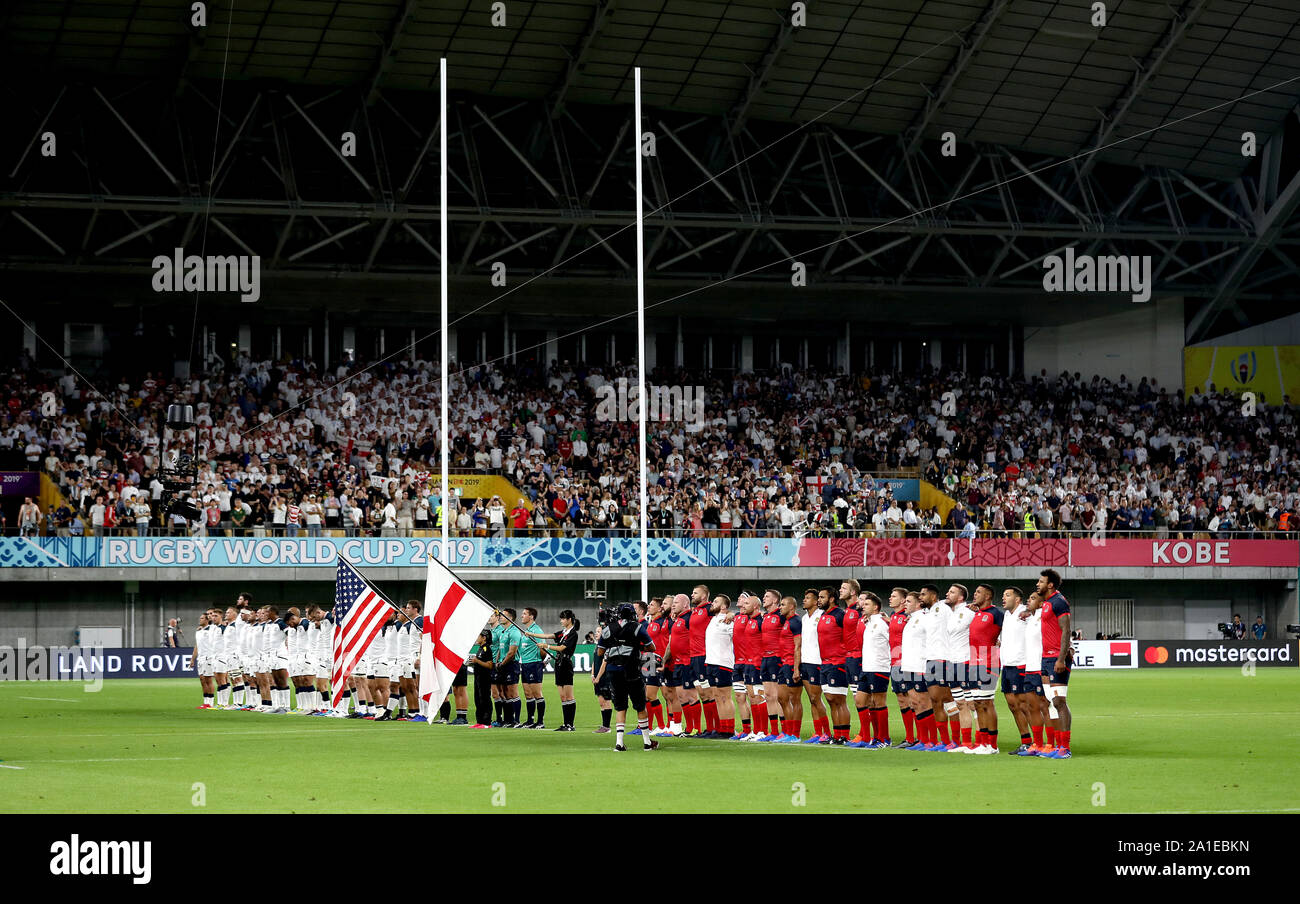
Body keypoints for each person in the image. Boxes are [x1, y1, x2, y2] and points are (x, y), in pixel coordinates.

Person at [592, 603, 659, 752]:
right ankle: (647, 742)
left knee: (620, 707)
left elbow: (600, 653)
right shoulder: (637, 627)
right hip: (632, 670)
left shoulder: (608, 629)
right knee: (640, 706)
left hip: (613, 671)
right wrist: (637, 647)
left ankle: (619, 743)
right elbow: (651, 647)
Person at [1036, 568, 1073, 758]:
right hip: (1045, 659)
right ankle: (1057, 745)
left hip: (1057, 659)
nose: (1037, 584)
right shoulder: (1047, 603)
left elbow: (1066, 630)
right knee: (1050, 701)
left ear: (1050, 584)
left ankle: (1065, 748)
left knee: (1059, 701)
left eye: (1041, 581)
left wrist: (1061, 657)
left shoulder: (1059, 602)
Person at [850, 591, 891, 748]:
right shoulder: (868, 622)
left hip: (879, 667)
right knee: (861, 700)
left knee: (878, 702)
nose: (863, 606)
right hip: (866, 667)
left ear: (876, 607)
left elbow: (894, 642)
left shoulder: (882, 623)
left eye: (867, 604)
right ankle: (869, 738)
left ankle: (884, 739)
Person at [900, 591, 940, 750]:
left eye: (908, 601)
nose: (905, 604)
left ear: (918, 603)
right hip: (908, 666)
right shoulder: (910, 620)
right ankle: (923, 740)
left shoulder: (925, 618)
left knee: (925, 703)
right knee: (915, 703)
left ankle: (933, 740)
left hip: (920, 666)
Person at [966, 583, 1003, 754]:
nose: (975, 594)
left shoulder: (996, 613)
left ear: (988, 596)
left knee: (987, 702)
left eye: (978, 592)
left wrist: (1001, 641)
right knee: (978, 703)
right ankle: (983, 743)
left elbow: (1010, 629)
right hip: (974, 662)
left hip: (989, 662)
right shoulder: (976, 613)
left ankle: (993, 745)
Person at [530, 609, 580, 731]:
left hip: (566, 664)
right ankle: (565, 723)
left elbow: (562, 647)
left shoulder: (573, 633)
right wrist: (530, 634)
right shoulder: (563, 632)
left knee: (569, 696)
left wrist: (546, 646)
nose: (561, 621)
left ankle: (570, 724)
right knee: (562, 696)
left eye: (563, 619)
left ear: (569, 620)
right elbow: (548, 635)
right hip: (559, 663)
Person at [999, 586, 1034, 754]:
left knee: (1024, 704)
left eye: (1007, 595)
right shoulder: (1007, 615)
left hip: (1021, 664)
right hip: (1006, 665)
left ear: (1018, 599)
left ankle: (1038, 742)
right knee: (1013, 705)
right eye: (1003, 595)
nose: (1003, 598)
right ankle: (1026, 741)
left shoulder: (1025, 613)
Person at [815, 585, 851, 745]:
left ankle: (845, 735)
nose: (819, 600)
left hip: (838, 662)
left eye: (822, 597)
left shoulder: (839, 615)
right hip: (825, 663)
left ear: (831, 599)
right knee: (829, 699)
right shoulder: (823, 615)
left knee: (839, 700)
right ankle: (836, 735)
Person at [886, 587, 917, 747]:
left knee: (913, 700)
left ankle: (919, 738)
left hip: (906, 662)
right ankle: (910, 738)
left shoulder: (909, 616)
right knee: (901, 700)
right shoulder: (894, 616)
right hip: (894, 663)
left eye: (894, 596)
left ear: (903, 600)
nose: (890, 598)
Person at [799, 588, 830, 743]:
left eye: (808, 598)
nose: (804, 600)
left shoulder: (822, 616)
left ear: (816, 601)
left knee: (816, 697)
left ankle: (827, 732)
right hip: (805, 661)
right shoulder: (804, 618)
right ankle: (818, 733)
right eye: (804, 597)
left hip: (816, 661)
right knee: (811, 699)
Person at [702, 593, 735, 739]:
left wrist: (731, 614)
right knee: (716, 696)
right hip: (711, 662)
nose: (712, 604)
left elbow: (737, 635)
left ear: (723, 606)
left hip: (723, 662)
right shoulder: (714, 619)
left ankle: (730, 729)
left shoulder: (728, 620)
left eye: (715, 602)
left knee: (725, 697)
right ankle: (722, 728)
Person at [516, 607, 548, 729]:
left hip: (534, 664)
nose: (522, 616)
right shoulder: (527, 631)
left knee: (536, 693)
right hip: (524, 664)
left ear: (531, 616)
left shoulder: (536, 631)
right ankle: (530, 720)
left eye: (524, 614)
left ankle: (540, 722)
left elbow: (543, 649)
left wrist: (539, 661)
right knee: (527, 693)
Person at [470, 629, 495, 728]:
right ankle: (479, 721)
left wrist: (476, 661)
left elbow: (489, 665)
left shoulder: (487, 649)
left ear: (484, 638)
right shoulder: (480, 648)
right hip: (478, 677)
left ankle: (487, 722)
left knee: (485, 699)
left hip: (485, 678)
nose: (477, 638)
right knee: (478, 699)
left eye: (478, 636)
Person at [193, 613, 215, 708]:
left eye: (202, 618)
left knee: (208, 680)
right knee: (202, 680)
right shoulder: (199, 632)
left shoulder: (211, 630)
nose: (200, 620)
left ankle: (211, 702)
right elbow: (197, 646)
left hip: (208, 657)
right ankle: (206, 702)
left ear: (207, 620)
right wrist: (192, 659)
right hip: (201, 658)